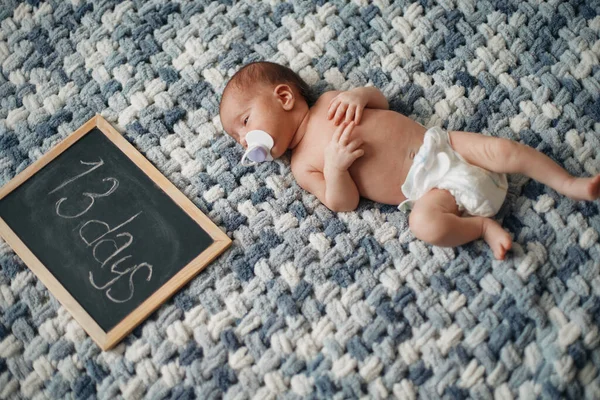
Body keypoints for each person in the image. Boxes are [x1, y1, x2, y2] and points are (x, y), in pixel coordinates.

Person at [219, 61, 600, 260]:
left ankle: (568, 183)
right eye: (238, 138)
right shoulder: (303, 166)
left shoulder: (333, 100)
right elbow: (344, 203)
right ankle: (482, 228)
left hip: (444, 146)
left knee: (504, 150)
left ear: (284, 97)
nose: (244, 139)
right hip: (429, 190)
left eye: (245, 123)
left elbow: (382, 102)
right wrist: (335, 168)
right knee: (424, 225)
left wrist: (359, 95)